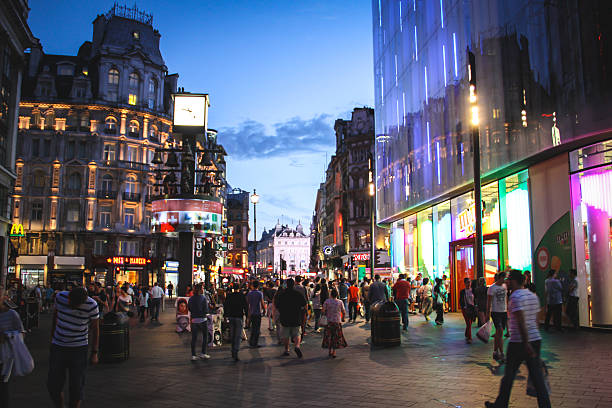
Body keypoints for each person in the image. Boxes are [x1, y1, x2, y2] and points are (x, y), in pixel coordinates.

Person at [485, 270, 551, 408]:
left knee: (509, 376)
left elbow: (521, 321)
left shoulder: (516, 297)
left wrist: (526, 342)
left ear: (514, 281)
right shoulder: (533, 296)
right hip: (535, 339)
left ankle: (501, 404)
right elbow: (537, 320)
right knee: (537, 377)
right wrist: (533, 339)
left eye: (509, 280)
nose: (507, 283)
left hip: (519, 342)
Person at [47, 286, 99, 408]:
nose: (72, 305)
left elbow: (96, 329)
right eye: (70, 302)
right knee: (53, 384)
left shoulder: (92, 305)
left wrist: (94, 352)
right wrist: (52, 337)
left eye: (76, 304)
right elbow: (55, 316)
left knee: (76, 385)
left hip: (79, 348)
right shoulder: (60, 297)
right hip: (58, 345)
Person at [0, 285, 25, 407]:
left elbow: (21, 333)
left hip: (4, 356)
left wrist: (8, 336)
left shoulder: (12, 314)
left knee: (3, 386)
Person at [276, 279, 307, 358]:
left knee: (285, 335)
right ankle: (297, 346)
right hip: (296, 316)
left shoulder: (282, 294)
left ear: (286, 285)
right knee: (297, 333)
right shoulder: (298, 294)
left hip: (285, 317)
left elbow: (277, 305)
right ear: (293, 285)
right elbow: (304, 303)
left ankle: (287, 350)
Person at [223, 284, 248, 361]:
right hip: (239, 317)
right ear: (239, 288)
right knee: (238, 335)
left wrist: (225, 316)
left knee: (232, 334)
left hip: (231, 317)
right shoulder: (241, 296)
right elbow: (245, 306)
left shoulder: (229, 296)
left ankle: (233, 349)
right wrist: (247, 316)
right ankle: (235, 351)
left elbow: (225, 306)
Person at [488, 271, 508, 362]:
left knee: (499, 333)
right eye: (504, 278)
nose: (505, 280)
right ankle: (502, 353)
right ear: (500, 278)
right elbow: (488, 302)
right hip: (495, 312)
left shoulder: (504, 286)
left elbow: (506, 299)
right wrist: (487, 314)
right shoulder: (492, 288)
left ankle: (495, 351)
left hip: (503, 312)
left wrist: (507, 310)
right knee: (499, 331)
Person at [321, 288, 347, 358]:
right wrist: (343, 318)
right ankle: (334, 352)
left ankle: (329, 351)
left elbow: (323, 311)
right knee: (335, 337)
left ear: (331, 294)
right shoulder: (340, 302)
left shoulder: (327, 301)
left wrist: (326, 313)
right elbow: (344, 311)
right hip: (337, 322)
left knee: (329, 336)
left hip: (329, 322)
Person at [188, 284, 210, 361]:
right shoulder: (203, 298)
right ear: (200, 289)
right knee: (205, 336)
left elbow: (189, 308)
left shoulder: (191, 299)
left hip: (194, 319)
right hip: (203, 319)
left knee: (194, 337)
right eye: (203, 288)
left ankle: (193, 355)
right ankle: (203, 353)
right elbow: (206, 310)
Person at [245, 281, 265, 348]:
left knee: (253, 328)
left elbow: (247, 303)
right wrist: (264, 310)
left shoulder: (249, 294)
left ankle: (251, 342)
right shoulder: (260, 293)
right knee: (257, 328)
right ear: (258, 286)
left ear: (252, 286)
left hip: (251, 312)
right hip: (258, 313)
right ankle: (255, 343)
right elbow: (262, 303)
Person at [459, 278, 476, 343]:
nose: (469, 284)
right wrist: (463, 307)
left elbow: (475, 299)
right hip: (465, 309)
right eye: (467, 282)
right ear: (465, 283)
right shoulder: (462, 291)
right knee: (468, 323)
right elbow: (461, 300)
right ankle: (469, 337)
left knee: (470, 323)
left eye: (469, 282)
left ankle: (467, 333)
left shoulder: (473, 290)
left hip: (472, 308)